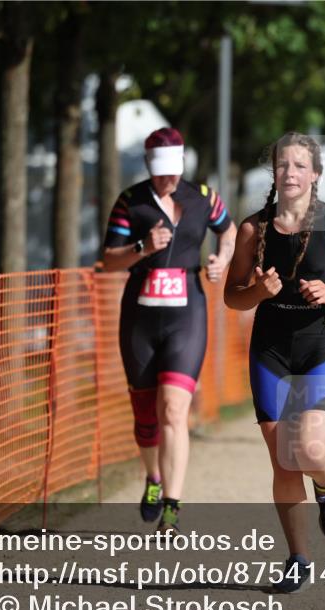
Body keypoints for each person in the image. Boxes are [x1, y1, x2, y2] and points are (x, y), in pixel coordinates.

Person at [224, 132, 325, 593]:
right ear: (274, 172)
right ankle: (298, 559)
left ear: (315, 174)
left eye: (300, 166)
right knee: (284, 464)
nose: (290, 172)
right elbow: (232, 296)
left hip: (316, 346)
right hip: (269, 349)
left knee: (309, 450)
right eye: (283, 165)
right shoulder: (253, 229)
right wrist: (257, 292)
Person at [101, 127, 235, 533]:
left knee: (175, 409)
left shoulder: (204, 197)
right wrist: (142, 248)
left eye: (173, 170)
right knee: (146, 417)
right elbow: (108, 260)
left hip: (186, 315)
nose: (168, 178)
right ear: (148, 166)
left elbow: (228, 231)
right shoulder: (131, 201)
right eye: (160, 171)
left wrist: (222, 260)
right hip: (140, 318)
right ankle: (153, 478)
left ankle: (173, 506)